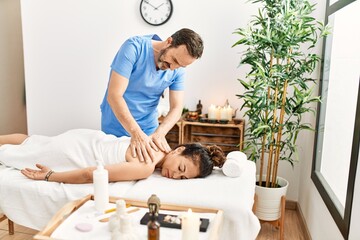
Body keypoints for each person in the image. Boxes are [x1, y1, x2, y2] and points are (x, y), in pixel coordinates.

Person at [100, 28, 204, 164]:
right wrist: (136, 134)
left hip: (149, 129)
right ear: (169, 42)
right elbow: (114, 96)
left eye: (180, 66)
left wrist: (160, 133)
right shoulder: (134, 48)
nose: (173, 68)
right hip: (116, 126)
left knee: (151, 168)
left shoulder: (177, 70)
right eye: (174, 60)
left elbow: (177, 108)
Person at [0, 129, 225, 184]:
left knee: (34, 140)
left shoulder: (155, 141)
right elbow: (92, 175)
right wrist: (50, 176)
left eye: (183, 178)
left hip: (83, 137)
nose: (175, 175)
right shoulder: (146, 166)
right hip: (74, 152)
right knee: (16, 155)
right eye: (181, 168)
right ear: (178, 150)